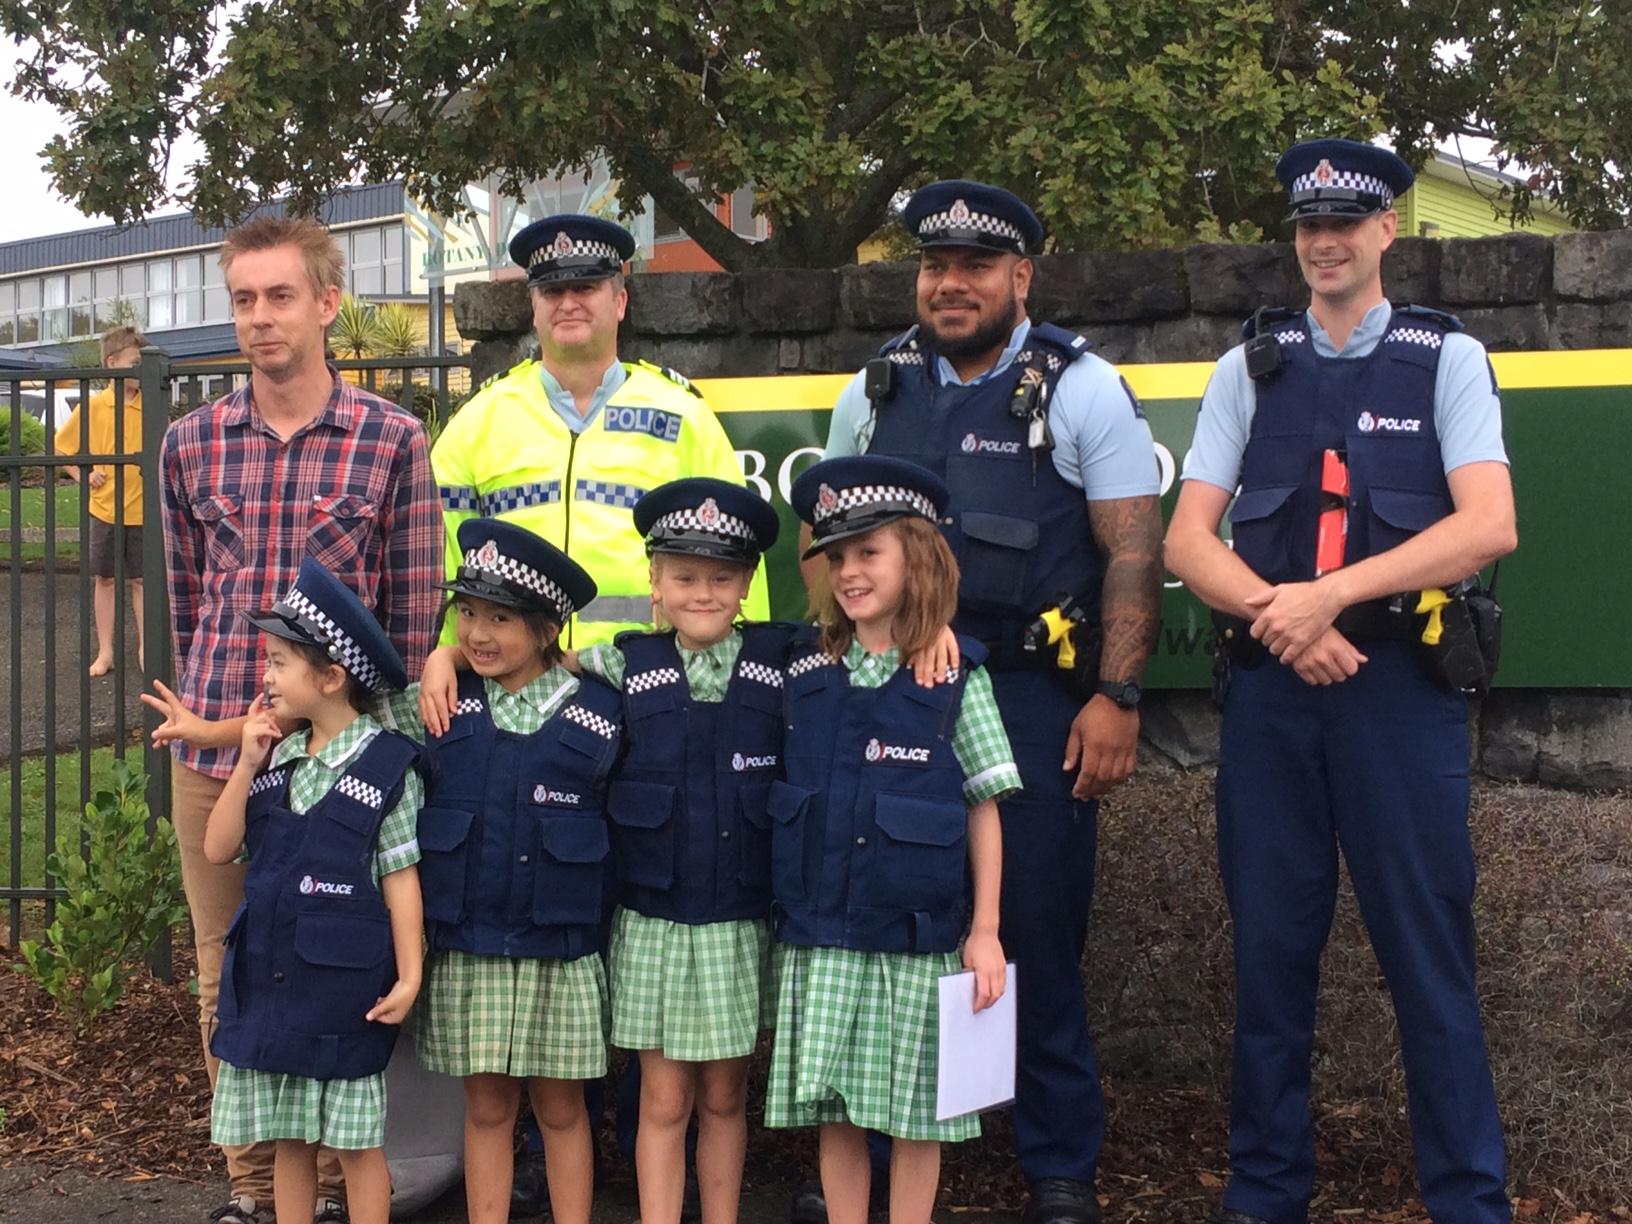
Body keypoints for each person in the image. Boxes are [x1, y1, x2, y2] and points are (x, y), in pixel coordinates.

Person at [1162, 138, 1517, 1224]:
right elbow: (1187, 540)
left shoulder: (1444, 358)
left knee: (1428, 961)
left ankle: (1468, 1198)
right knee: (1271, 960)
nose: (1324, 242)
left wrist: (1336, 592)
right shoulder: (1246, 368)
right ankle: (1266, 1191)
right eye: (1308, 226)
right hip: (1274, 697)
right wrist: (1286, 615)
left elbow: (1488, 526)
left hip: (1397, 697)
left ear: (1386, 232)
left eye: (1346, 223)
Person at [811, 181, 1163, 1224]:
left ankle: (1057, 1161)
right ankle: (880, 1159)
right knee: (889, 920)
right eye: (934, 266)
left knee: (1035, 929)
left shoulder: (1081, 387)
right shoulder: (874, 390)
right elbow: (832, 557)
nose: (950, 285)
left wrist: (1119, 694)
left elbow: (1134, 551)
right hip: (891, 695)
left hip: (1027, 693)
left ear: (1022, 276)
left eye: (975, 267)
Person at [144, 214, 442, 1224]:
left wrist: (379, 759)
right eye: (243, 299)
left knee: (332, 949)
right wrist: (218, 727)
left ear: (326, 304)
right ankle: (248, 1187)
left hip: (338, 760)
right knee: (228, 961)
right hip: (221, 755)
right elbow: (189, 605)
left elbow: (411, 616)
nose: (260, 317)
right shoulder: (189, 446)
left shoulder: (393, 440)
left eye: (279, 296)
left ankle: (319, 1185)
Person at [769, 455, 1017, 1224]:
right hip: (825, 938)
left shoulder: (957, 680)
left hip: (917, 943)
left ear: (919, 556)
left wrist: (985, 932)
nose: (848, 571)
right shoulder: (800, 666)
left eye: (868, 552)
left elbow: (984, 804)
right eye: (837, 556)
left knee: (918, 1115)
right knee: (836, 1110)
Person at [383, 520, 619, 1224]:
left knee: (561, 1107)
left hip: (561, 955)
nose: (479, 632)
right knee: (486, 1108)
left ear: (548, 630)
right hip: (473, 947)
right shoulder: (442, 705)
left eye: (501, 617)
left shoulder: (603, 713)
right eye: (467, 613)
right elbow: (349, 708)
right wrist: (439, 656)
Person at [569, 477, 787, 1224]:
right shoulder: (621, 665)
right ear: (654, 581)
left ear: (747, 583)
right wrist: (446, 661)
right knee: (662, 1098)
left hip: (735, 921)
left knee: (726, 1095)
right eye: (684, 576)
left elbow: (865, 649)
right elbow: (533, 661)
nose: (702, 592)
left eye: (722, 577)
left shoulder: (782, 665)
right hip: (657, 924)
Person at [195, 559, 424, 1224]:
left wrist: (410, 975)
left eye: (279, 663)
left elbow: (401, 878)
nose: (265, 677)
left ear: (330, 677)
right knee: (291, 1139)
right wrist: (245, 761)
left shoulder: (387, 765)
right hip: (273, 983)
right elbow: (218, 848)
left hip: (347, 991)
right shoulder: (276, 760)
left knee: (356, 1147)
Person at [431, 213, 767, 655]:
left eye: (585, 287)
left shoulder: (682, 415)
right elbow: (441, 563)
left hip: (647, 677)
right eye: (552, 291)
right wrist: (447, 659)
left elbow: (737, 553)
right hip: (516, 681)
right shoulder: (477, 421)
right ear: (534, 307)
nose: (568, 302)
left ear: (620, 302)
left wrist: (748, 668)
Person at [54, 325, 150, 676]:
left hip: (142, 508)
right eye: (134, 361)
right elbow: (62, 448)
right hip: (104, 508)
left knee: (141, 581)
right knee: (105, 580)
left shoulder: (150, 405)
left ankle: (146, 648)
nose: (139, 368)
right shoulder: (94, 407)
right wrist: (84, 475)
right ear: (112, 362)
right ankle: (105, 651)